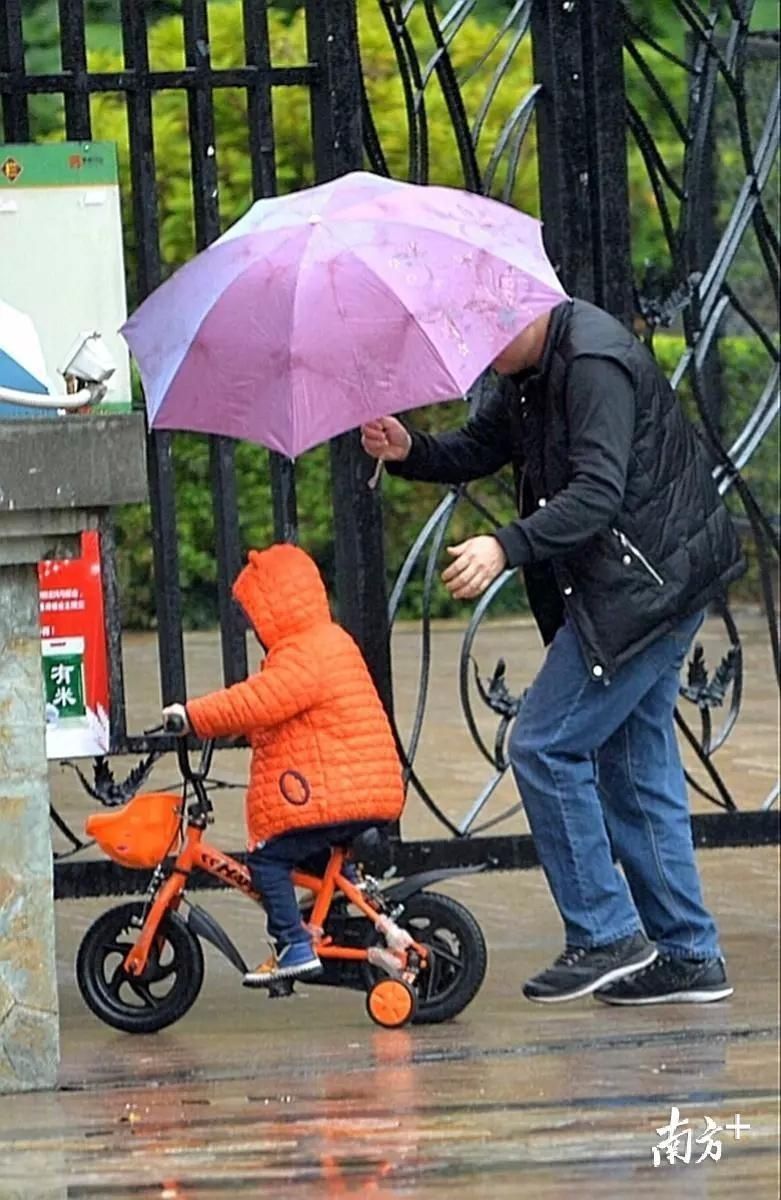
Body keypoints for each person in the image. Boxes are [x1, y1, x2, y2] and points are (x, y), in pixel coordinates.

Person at [362, 297, 745, 1006]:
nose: (478, 364)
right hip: (650, 581)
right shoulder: (531, 371)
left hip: (645, 587)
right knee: (633, 766)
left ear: (519, 316)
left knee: (543, 744)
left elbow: (595, 494)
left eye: (482, 346)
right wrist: (410, 449)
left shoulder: (591, 363)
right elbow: (483, 445)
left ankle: (605, 934)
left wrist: (504, 546)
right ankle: (688, 955)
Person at [163, 543, 404, 986]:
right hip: (355, 787)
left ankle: (294, 944)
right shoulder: (328, 641)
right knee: (315, 864)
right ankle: (335, 923)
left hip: (339, 793)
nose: (253, 627)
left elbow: (259, 699)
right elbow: (294, 715)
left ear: (273, 609)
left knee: (268, 858)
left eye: (254, 617)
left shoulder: (303, 652)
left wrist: (193, 716)